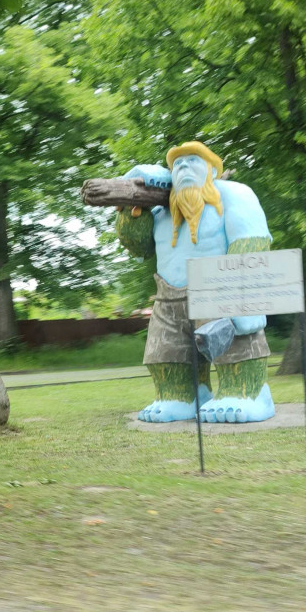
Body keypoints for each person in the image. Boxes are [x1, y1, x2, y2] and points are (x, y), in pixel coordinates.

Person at [117, 140, 275, 423]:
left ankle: (248, 394)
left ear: (212, 170)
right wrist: (132, 210)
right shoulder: (163, 209)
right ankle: (182, 397)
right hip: (168, 297)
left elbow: (251, 240)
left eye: (193, 161)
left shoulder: (234, 195)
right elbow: (139, 248)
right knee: (166, 352)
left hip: (219, 288)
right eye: (177, 164)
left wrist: (241, 298)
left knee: (236, 348)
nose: (184, 167)